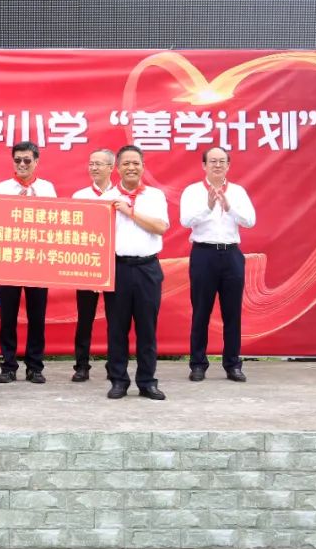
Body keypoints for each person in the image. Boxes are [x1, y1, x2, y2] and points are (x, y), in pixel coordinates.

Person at [179, 147, 256, 382]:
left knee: (232, 313)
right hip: (204, 254)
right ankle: (198, 364)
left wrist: (229, 208)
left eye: (222, 161)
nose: (217, 165)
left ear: (228, 165)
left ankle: (232, 365)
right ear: (204, 165)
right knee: (201, 311)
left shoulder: (238, 192)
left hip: (231, 255)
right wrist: (208, 206)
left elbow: (250, 221)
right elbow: (185, 221)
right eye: (212, 161)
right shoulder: (193, 191)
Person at [104, 145, 168, 401]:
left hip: (147, 269)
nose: (131, 167)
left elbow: (159, 227)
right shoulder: (106, 197)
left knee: (147, 328)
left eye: (136, 163)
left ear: (143, 167)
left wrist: (129, 211)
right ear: (117, 168)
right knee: (116, 329)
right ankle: (118, 381)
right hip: (117, 269)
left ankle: (147, 382)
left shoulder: (155, 196)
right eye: (126, 163)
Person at [0, 141, 57, 384]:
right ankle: (8, 365)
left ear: (36, 162)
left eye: (27, 160)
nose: (22, 164)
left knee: (37, 317)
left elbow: (56, 223)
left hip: (38, 262)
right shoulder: (1, 188)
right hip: (9, 261)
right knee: (8, 317)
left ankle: (35, 366)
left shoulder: (47, 188)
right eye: (17, 160)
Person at [69, 148, 117, 382]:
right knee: (85, 318)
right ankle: (82, 365)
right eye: (91, 164)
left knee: (116, 318)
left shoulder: (120, 195)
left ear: (111, 167)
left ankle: (114, 365)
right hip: (87, 263)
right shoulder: (80, 196)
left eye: (99, 164)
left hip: (116, 263)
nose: (94, 168)